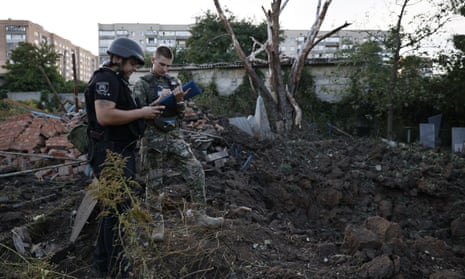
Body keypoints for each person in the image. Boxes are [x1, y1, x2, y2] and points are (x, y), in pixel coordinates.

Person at [84, 37, 164, 278]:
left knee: (113, 208)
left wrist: (153, 106)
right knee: (118, 210)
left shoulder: (117, 80)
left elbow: (128, 112)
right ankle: (119, 267)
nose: (134, 69)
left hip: (120, 150)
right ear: (118, 58)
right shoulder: (105, 78)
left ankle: (102, 265)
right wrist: (142, 112)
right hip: (110, 152)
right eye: (132, 64)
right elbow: (105, 116)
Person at [133, 46, 223, 240]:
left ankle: (199, 214)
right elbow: (138, 114)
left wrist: (180, 100)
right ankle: (157, 224)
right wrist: (159, 100)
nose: (165, 69)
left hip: (173, 135)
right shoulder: (142, 84)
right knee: (154, 183)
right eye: (161, 64)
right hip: (152, 138)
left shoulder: (174, 81)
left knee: (196, 169)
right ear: (153, 60)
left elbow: (181, 115)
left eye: (168, 66)